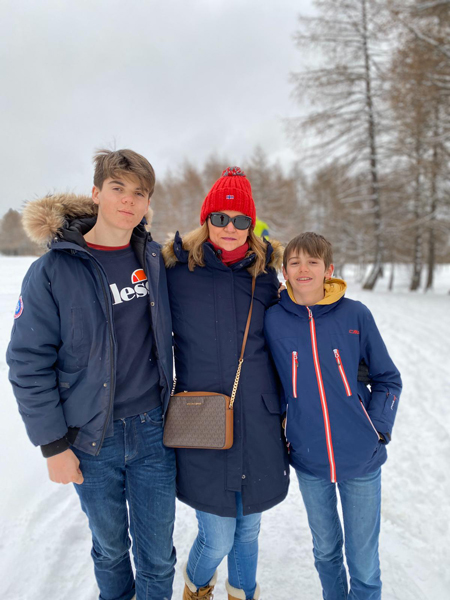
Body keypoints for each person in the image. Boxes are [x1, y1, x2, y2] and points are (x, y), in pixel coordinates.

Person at [6, 149, 176, 600]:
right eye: (118, 188)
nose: (129, 200)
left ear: (148, 203)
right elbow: (27, 361)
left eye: (139, 192)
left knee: (159, 558)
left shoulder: (154, 260)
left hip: (154, 432)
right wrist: (53, 446)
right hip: (91, 439)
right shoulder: (52, 270)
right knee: (111, 550)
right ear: (96, 193)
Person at [162, 167, 289, 600]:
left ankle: (243, 593)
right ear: (206, 220)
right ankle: (197, 587)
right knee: (217, 534)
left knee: (248, 530)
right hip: (202, 420)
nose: (229, 227)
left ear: (251, 224)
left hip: (259, 420)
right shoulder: (175, 271)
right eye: (220, 217)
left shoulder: (268, 276)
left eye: (240, 219)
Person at [264, 232, 402, 600]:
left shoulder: (355, 315)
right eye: (295, 262)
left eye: (313, 261)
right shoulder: (274, 320)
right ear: (284, 272)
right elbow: (272, 385)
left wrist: (378, 429)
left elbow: (388, 379)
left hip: (361, 458)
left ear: (329, 269)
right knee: (325, 552)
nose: (304, 269)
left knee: (363, 563)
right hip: (309, 459)